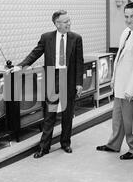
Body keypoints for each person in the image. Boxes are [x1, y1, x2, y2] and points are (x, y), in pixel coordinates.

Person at [10, 10, 83, 158]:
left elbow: (79, 62)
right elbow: (35, 53)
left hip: (68, 78)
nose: (69, 23)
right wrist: (20, 65)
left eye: (69, 20)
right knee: (50, 114)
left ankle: (65, 143)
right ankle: (44, 147)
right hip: (52, 77)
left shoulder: (76, 38)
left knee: (67, 114)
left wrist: (79, 83)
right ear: (57, 24)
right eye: (65, 21)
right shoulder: (47, 38)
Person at [96, 2, 133, 160]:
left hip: (130, 86)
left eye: (132, 16)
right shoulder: (126, 32)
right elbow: (119, 57)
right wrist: (113, 78)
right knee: (117, 117)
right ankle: (113, 144)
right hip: (120, 82)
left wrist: (131, 89)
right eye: (126, 16)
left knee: (130, 119)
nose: (129, 19)